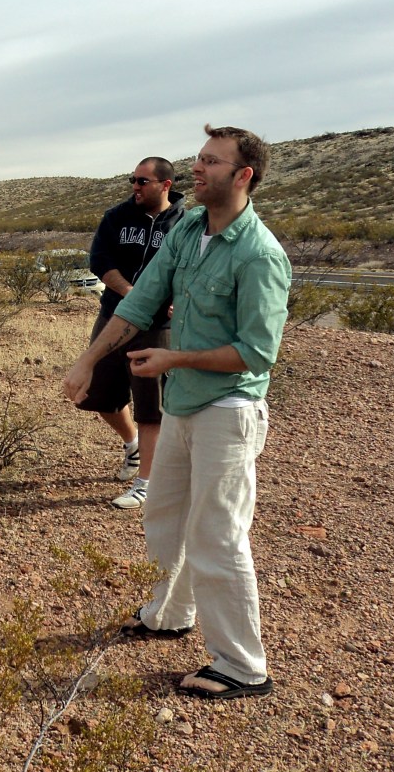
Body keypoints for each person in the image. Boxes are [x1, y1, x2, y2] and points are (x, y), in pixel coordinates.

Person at [64, 125, 291, 701]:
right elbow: (140, 299)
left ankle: (242, 665)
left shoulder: (260, 255)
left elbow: (256, 353)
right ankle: (170, 613)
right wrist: (90, 359)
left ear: (243, 176)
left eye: (211, 162)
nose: (198, 169)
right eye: (197, 160)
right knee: (163, 513)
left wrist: (174, 357)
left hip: (229, 408)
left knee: (218, 535)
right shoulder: (189, 228)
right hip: (186, 400)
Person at [82, 157, 185, 509]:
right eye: (133, 180)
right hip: (115, 316)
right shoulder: (117, 217)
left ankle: (146, 483)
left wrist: (178, 299)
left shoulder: (185, 223)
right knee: (94, 394)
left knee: (150, 406)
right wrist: (133, 295)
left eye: (142, 181)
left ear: (165, 185)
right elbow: (100, 260)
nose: (135, 187)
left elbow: (193, 267)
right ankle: (133, 444)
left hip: (159, 327)